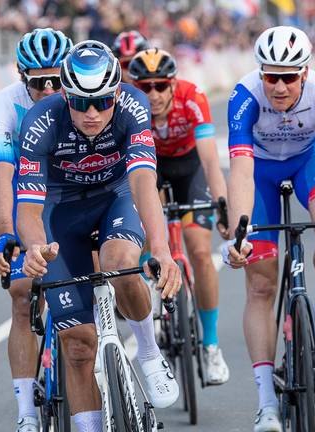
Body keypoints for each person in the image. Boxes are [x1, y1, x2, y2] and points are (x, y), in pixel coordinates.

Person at [16, 40, 181, 432]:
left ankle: (148, 350)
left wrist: (161, 250)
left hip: (115, 197)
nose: (92, 113)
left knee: (121, 263)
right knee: (77, 345)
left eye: (102, 102)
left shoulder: (134, 108)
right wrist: (34, 246)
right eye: (81, 103)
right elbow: (27, 207)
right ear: (65, 95)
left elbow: (143, 183)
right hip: (62, 211)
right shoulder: (41, 121)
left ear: (118, 94)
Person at [223, 26, 315, 431]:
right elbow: (240, 171)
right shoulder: (244, 96)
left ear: (305, 72)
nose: (278, 86)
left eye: (288, 77)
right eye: (270, 76)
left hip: (308, 161)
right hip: (259, 172)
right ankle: (266, 402)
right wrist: (239, 232)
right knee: (260, 285)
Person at [0, 28, 72, 432]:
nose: (51, 88)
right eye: (40, 82)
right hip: (27, 193)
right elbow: (2, 176)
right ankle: (26, 412)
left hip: (73, 190)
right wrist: (8, 236)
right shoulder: (5, 104)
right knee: (22, 296)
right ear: (23, 78)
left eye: (58, 79)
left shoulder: (82, 99)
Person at [128, 47, 230, 385]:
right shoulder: (128, 104)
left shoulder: (192, 97)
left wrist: (222, 205)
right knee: (143, 231)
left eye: (161, 86)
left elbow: (211, 161)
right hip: (150, 170)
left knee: (200, 251)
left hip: (189, 169)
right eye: (145, 87)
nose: (153, 94)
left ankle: (211, 345)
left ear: (174, 85)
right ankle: (150, 299)